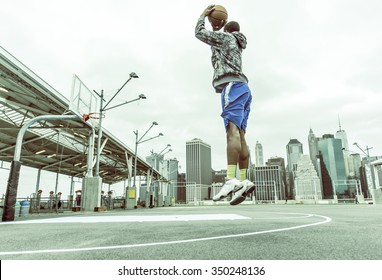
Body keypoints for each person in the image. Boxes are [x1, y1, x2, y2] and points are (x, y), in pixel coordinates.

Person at [195, 5, 255, 205]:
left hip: (232, 86)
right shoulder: (237, 43)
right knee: (241, 135)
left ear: (226, 30)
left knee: (231, 133)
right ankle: (244, 179)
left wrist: (204, 16)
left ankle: (231, 179)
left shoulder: (226, 38)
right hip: (244, 88)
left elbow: (199, 33)